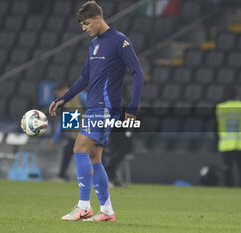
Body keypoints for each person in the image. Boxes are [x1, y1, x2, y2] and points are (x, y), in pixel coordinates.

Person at [49, 1, 144, 222]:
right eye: (82, 24)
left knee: (79, 148)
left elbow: (138, 73)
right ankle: (107, 211)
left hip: (105, 107)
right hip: (94, 106)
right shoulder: (93, 45)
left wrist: (132, 107)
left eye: (86, 23)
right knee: (94, 157)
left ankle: (83, 206)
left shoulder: (120, 41)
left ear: (98, 18)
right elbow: (84, 78)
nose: (84, 28)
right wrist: (63, 99)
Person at [48, 83, 86, 181]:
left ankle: (107, 176)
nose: (58, 97)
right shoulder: (68, 102)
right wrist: (54, 139)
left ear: (64, 90)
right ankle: (61, 176)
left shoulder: (82, 97)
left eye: (58, 94)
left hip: (87, 134)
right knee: (67, 152)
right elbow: (66, 122)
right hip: (76, 135)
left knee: (96, 156)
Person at [215, 87, 241, 187]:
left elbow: (214, 127)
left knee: (227, 170)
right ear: (237, 95)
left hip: (225, 144)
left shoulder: (220, 108)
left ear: (226, 95)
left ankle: (229, 189)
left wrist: (217, 140)